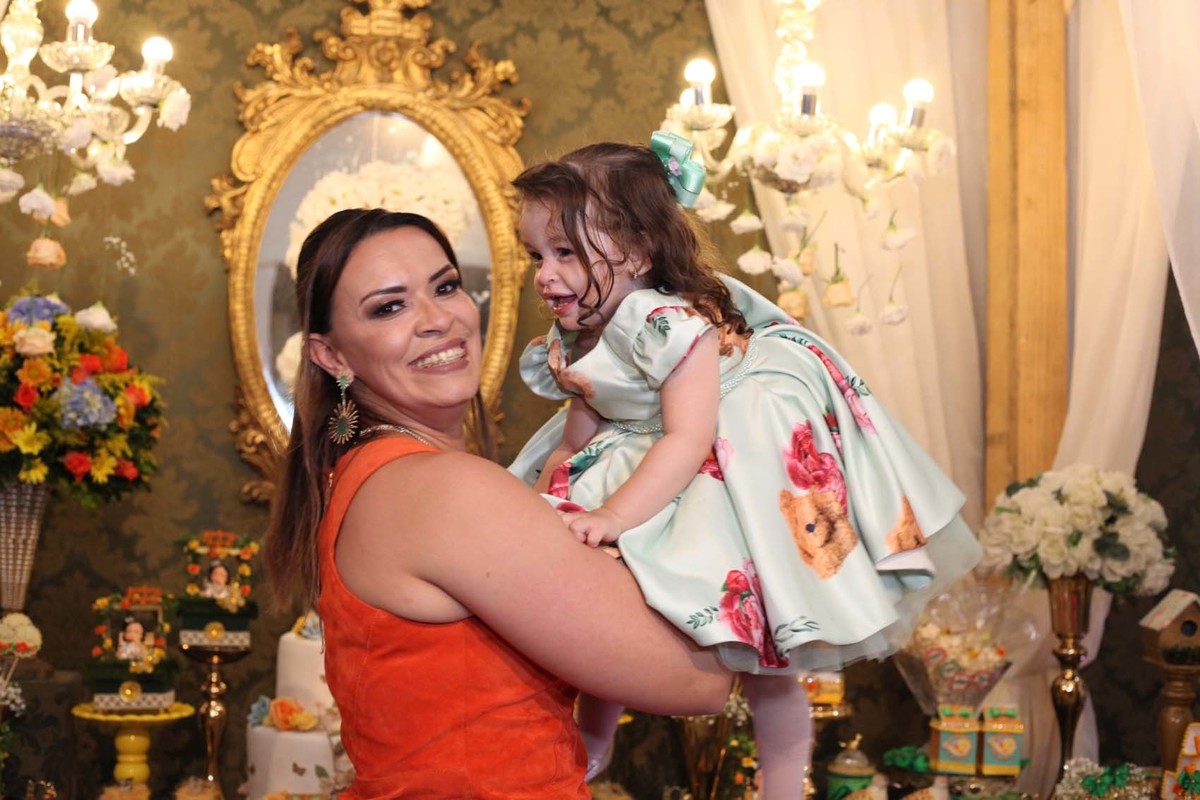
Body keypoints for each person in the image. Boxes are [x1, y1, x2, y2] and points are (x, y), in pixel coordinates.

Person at [508, 134, 983, 795]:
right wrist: (544, 507)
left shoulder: (669, 323)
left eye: (566, 253)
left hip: (729, 451)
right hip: (642, 447)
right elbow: (576, 439)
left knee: (771, 662)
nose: (545, 273)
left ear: (639, 252)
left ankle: (781, 787)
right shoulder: (579, 332)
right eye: (537, 255)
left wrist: (613, 515)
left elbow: (688, 437)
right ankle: (593, 737)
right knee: (602, 604)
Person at [263, 208, 732, 800]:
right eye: (389, 307)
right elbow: (696, 683)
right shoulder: (442, 491)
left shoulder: (370, 477)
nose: (438, 320)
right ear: (332, 356)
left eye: (445, 287)